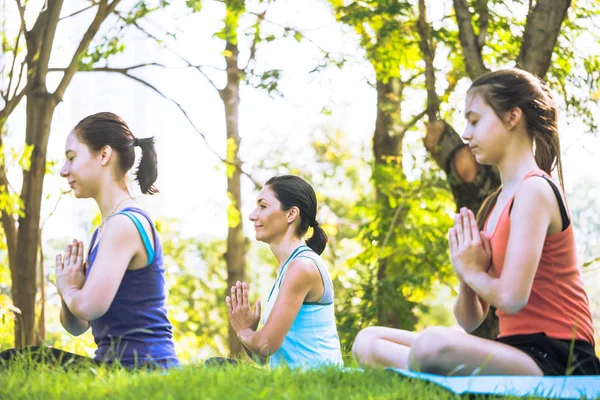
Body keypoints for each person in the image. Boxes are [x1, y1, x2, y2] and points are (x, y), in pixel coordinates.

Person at [351, 69, 600, 376]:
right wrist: (465, 273)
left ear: (512, 117)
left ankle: (424, 368)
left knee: (432, 344)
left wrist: (472, 271)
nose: (466, 134)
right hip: (517, 350)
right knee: (368, 339)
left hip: (560, 357)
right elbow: (470, 320)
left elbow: (511, 298)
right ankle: (427, 369)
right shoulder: (496, 203)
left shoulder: (534, 189)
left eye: (475, 121)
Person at [1, 112, 179, 369]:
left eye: (72, 158)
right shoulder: (104, 230)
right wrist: (68, 290)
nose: (64, 171)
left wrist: (71, 290)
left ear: (104, 155)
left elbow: (89, 307)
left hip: (143, 370)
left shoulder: (124, 224)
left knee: (16, 364)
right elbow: (78, 325)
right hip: (112, 367)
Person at [225, 175, 343, 368]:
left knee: (217, 368)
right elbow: (262, 359)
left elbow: (265, 345)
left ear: (291, 214)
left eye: (263, 206)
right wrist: (248, 331)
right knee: (219, 366)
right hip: (290, 381)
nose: (253, 215)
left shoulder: (302, 267)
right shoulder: (287, 267)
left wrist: (242, 330)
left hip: (317, 383)